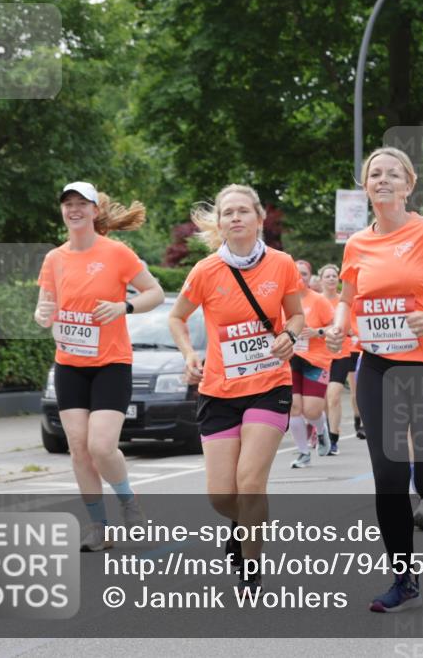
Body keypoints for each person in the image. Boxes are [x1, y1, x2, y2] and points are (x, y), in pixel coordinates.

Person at [325, 147, 423, 613]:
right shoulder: (357, 244)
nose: (383, 180)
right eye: (374, 174)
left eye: (392, 174)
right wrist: (339, 326)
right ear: (365, 185)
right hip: (379, 368)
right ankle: (404, 579)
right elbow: (349, 299)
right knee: (390, 478)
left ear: (409, 184)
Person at [169, 184, 305, 592]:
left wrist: (290, 335)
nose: (236, 218)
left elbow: (296, 315)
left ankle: (250, 564)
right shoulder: (206, 270)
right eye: (227, 212)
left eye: (243, 211)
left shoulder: (281, 265)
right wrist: (189, 354)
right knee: (220, 496)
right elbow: (177, 317)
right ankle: (243, 524)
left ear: (259, 219)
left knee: (249, 483)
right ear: (220, 223)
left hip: (269, 384)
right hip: (218, 390)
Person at [35, 183, 163, 551]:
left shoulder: (117, 253)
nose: (74, 210)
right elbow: (45, 308)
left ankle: (127, 500)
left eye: (81, 204)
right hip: (70, 364)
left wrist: (125, 307)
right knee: (78, 448)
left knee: (102, 446)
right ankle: (98, 527)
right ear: (62, 211)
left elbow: (153, 292)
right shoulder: (54, 259)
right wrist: (42, 314)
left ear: (94, 210)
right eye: (68, 204)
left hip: (111, 363)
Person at [288, 259, 335, 465]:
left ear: (310, 277)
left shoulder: (318, 300)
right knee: (294, 408)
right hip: (290, 360)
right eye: (296, 273)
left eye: (304, 274)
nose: (300, 278)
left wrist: (318, 332)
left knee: (312, 410)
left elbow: (335, 327)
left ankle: (321, 429)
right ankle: (303, 453)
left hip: (315, 361)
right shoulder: (283, 300)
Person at [319, 263, 351, 455]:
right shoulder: (316, 301)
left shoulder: (344, 303)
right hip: (319, 356)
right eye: (327, 276)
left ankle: (333, 437)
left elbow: (353, 324)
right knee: (321, 400)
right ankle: (322, 432)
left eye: (334, 276)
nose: (331, 279)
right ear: (321, 279)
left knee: (334, 396)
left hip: (341, 354)